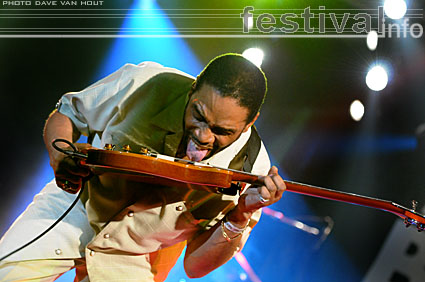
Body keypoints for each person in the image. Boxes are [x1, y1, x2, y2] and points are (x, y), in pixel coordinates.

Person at [0, 53, 286, 281]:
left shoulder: (253, 169)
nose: (203, 136)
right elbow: (66, 114)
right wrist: (59, 154)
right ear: (194, 87)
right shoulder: (145, 81)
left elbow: (195, 268)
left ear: (251, 121)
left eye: (222, 130)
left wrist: (239, 216)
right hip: (74, 210)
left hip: (136, 256)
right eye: (198, 115)